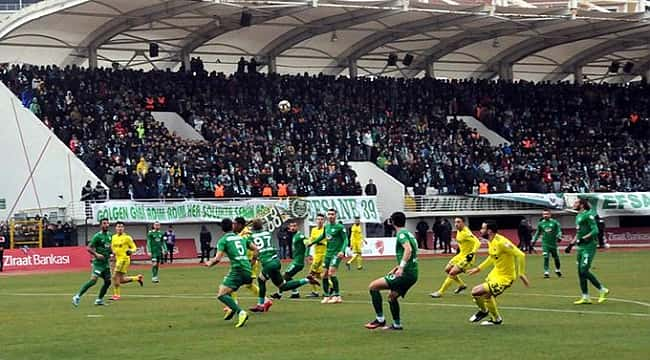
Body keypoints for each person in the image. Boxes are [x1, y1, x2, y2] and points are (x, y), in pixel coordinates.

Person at [466, 220, 529, 326]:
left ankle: (484, 311)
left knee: (475, 291)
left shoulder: (502, 242)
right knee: (486, 296)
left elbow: (521, 255)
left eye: (483, 228)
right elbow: (492, 257)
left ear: (489, 231)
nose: (481, 230)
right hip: (495, 274)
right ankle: (497, 320)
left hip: (505, 278)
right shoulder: (491, 240)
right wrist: (479, 268)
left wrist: (521, 273)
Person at [249, 220, 319, 312]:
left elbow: (255, 251)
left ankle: (261, 304)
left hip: (268, 263)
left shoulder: (251, 237)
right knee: (282, 286)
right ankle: (307, 280)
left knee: (261, 280)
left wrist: (252, 262)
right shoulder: (267, 233)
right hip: (276, 261)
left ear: (253, 228)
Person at [364, 211, 418, 331]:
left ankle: (380, 320)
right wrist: (397, 267)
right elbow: (413, 252)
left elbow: (408, 250)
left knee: (373, 287)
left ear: (392, 222)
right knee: (392, 297)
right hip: (413, 273)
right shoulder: (408, 233)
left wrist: (402, 267)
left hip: (406, 273)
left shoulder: (401, 234)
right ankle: (397, 324)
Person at [204, 218, 257, 328]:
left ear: (222, 229)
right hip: (247, 270)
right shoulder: (241, 237)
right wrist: (251, 263)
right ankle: (231, 309)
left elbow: (218, 259)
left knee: (221, 295)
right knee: (225, 286)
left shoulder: (223, 240)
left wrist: (209, 263)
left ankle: (240, 312)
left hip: (238, 270)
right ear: (232, 226)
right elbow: (256, 249)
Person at [569, 199, 609, 305]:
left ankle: (602, 289)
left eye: (575, 203)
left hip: (589, 246)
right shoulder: (578, 216)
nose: (574, 204)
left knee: (584, 270)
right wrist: (571, 244)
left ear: (582, 205)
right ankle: (585, 297)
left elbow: (595, 230)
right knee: (580, 273)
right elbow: (578, 233)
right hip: (580, 247)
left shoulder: (589, 215)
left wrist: (584, 238)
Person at [431, 217, 480, 298]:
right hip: (460, 255)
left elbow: (477, 242)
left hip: (467, 258)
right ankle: (462, 285)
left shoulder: (466, 232)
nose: (456, 224)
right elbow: (463, 243)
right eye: (455, 222)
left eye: (458, 222)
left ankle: (440, 292)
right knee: (447, 269)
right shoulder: (459, 231)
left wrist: (472, 253)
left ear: (463, 223)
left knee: (452, 273)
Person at [308, 208, 348, 304]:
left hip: (336, 253)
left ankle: (337, 295)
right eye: (329, 214)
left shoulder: (340, 227)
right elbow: (323, 236)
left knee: (331, 273)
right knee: (324, 275)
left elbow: (346, 240)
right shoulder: (327, 227)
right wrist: (313, 243)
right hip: (328, 253)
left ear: (335, 215)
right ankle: (326, 296)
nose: (330, 216)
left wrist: (342, 251)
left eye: (332, 214)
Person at [72, 218, 112, 306]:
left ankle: (99, 300)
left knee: (108, 282)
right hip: (98, 263)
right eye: (104, 223)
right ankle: (77, 296)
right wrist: (96, 254)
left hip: (106, 263)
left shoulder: (109, 235)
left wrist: (112, 252)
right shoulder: (97, 236)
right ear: (101, 225)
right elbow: (89, 248)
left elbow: (109, 247)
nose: (106, 225)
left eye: (107, 223)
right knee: (94, 280)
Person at [272, 221, 309, 299]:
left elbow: (307, 242)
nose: (292, 228)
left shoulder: (300, 236)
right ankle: (295, 293)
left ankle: (279, 294)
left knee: (284, 276)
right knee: (287, 277)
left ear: (297, 227)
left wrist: (307, 254)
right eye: (291, 226)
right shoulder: (294, 235)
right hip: (296, 260)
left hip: (298, 262)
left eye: (294, 226)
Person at [110, 221, 144, 300]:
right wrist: (113, 253)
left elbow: (134, 247)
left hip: (124, 259)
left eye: (121, 227)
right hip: (117, 259)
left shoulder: (127, 238)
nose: (120, 228)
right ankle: (137, 278)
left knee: (114, 276)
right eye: (118, 227)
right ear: (116, 228)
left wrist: (131, 251)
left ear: (123, 228)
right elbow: (112, 247)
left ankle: (116, 295)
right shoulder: (113, 237)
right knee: (121, 280)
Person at [532, 210, 562, 278]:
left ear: (550, 215)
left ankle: (557, 269)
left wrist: (559, 236)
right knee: (546, 257)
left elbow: (559, 230)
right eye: (544, 214)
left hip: (554, 243)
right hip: (545, 243)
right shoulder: (540, 224)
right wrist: (534, 240)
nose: (545, 215)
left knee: (556, 258)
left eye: (547, 214)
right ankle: (546, 272)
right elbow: (538, 232)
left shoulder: (554, 222)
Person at [307, 213, 327, 297]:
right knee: (312, 274)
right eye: (318, 219)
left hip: (325, 253)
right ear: (316, 220)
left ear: (324, 221)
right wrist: (308, 254)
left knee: (324, 274)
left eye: (321, 219)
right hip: (316, 253)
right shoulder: (313, 230)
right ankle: (315, 291)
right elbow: (310, 241)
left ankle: (331, 288)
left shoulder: (326, 229)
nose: (320, 221)